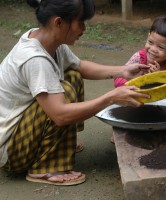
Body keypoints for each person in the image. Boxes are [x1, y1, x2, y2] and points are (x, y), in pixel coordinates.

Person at [0, 0, 151, 186]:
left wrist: (123, 71)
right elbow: (60, 115)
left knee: (72, 75)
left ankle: (62, 144)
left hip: (22, 129)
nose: (83, 28)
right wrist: (111, 98)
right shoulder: (35, 59)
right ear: (59, 22)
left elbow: (80, 67)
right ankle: (44, 168)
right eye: (80, 22)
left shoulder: (47, 39)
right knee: (65, 93)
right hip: (11, 151)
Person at [113, 15, 166, 87]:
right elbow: (118, 80)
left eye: (160, 47)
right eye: (150, 42)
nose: (153, 49)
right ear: (148, 36)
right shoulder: (138, 58)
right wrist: (137, 79)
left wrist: (158, 77)